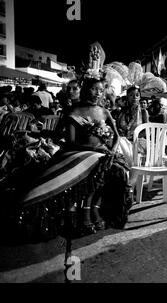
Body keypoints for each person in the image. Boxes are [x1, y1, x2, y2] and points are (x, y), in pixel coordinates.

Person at [15, 78, 132, 241]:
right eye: (93, 89)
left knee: (118, 170)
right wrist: (96, 149)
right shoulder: (73, 111)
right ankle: (82, 216)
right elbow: (71, 142)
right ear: (85, 90)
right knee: (94, 168)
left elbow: (117, 136)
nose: (97, 93)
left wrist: (111, 151)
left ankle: (97, 211)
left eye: (100, 90)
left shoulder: (104, 111)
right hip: (78, 152)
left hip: (104, 153)